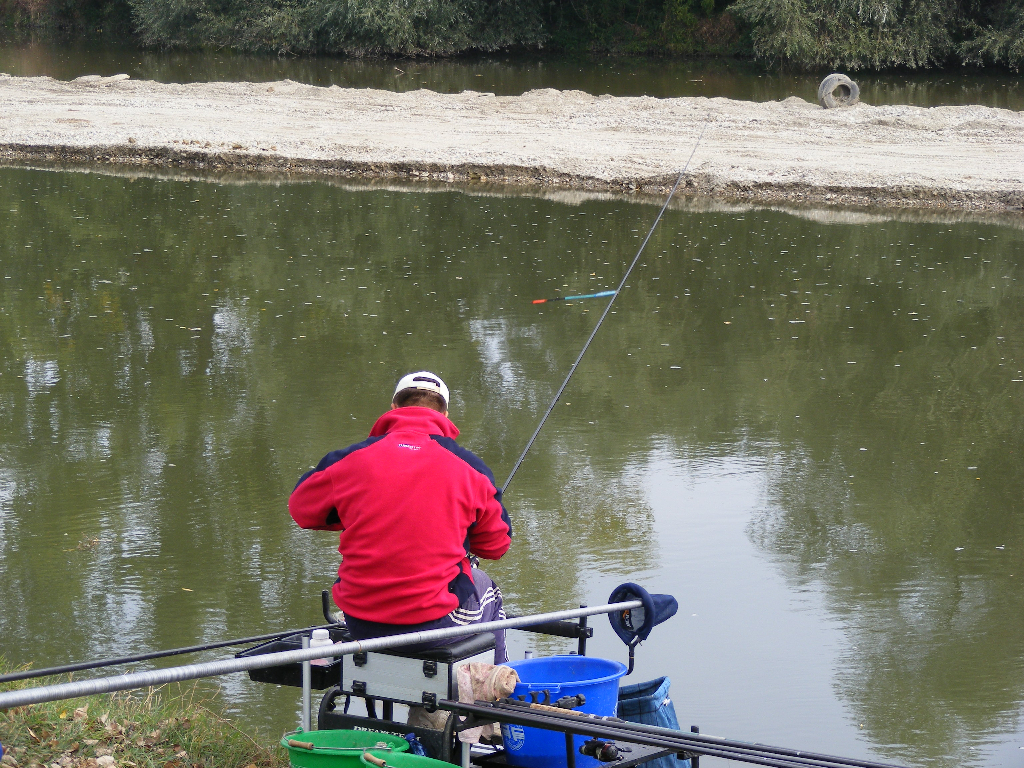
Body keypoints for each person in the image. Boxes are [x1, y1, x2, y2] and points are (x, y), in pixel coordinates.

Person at [289, 371, 512, 662]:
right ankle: (497, 684)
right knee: (489, 591)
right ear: (445, 414)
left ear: (394, 408)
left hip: (360, 623)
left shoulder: (350, 460)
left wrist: (357, 511)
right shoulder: (471, 469)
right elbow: (496, 546)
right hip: (433, 625)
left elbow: (302, 509)